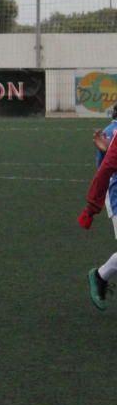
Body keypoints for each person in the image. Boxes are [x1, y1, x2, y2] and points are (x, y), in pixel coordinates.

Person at [79, 106, 117, 309]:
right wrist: (91, 208)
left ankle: (101, 276)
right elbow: (104, 170)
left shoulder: (108, 132)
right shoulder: (112, 132)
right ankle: (100, 276)